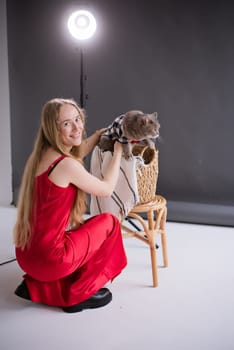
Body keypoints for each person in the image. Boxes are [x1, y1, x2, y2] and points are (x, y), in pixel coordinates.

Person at [13, 97, 127, 313]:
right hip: (50, 260)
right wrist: (118, 153)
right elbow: (106, 188)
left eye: (78, 119)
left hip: (26, 255)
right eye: (67, 123)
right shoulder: (66, 166)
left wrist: (94, 137)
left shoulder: (40, 157)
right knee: (109, 223)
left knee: (78, 229)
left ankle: (37, 285)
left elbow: (74, 153)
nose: (77, 127)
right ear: (53, 129)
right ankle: (79, 293)